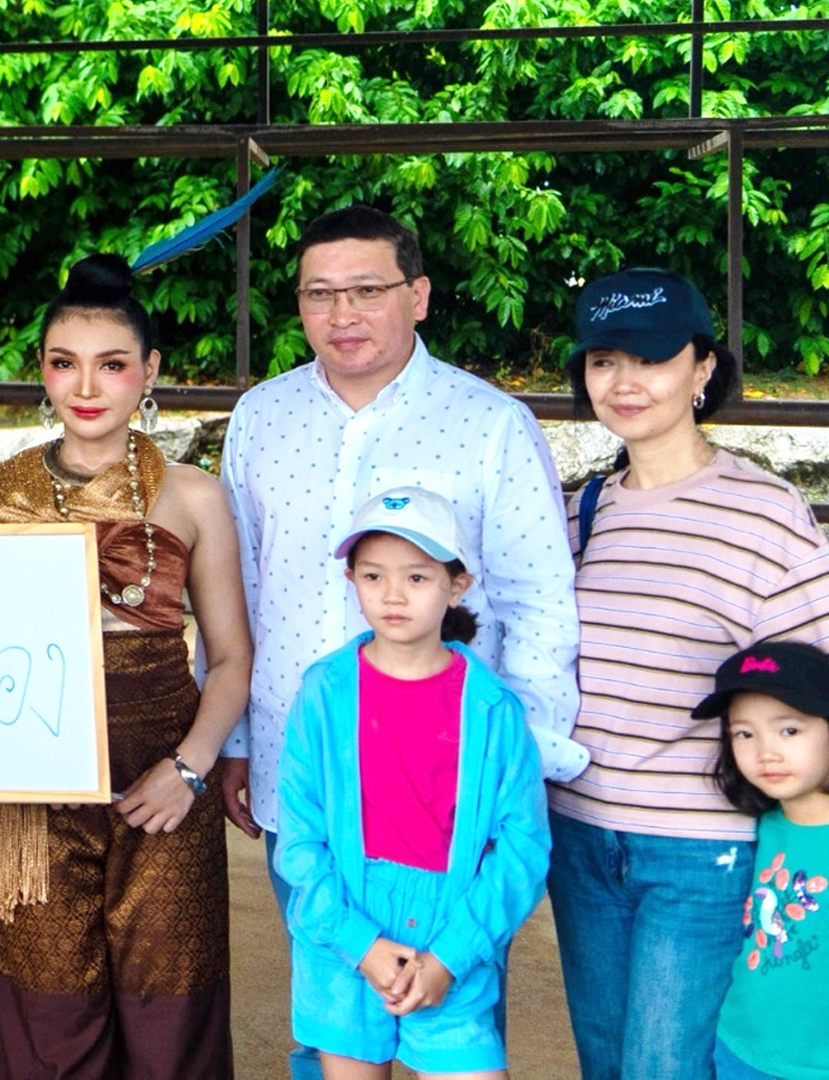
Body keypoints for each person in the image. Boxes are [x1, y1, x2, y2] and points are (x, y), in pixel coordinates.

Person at [218, 205, 582, 1077]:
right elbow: (241, 591)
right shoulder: (259, 418)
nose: (342, 314)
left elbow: (537, 596)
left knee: (452, 1010)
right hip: (309, 766)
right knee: (337, 1005)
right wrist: (234, 739)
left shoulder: (489, 421)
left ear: (417, 296)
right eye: (319, 294)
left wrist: (521, 762)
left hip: (450, 791)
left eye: (367, 291)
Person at [0, 253, 251, 1078]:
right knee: (45, 1022)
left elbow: (231, 658)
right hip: (36, 791)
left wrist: (189, 771)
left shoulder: (193, 495)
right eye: (64, 363)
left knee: (170, 1020)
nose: (86, 386)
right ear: (42, 371)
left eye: (112, 365)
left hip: (163, 781)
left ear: (149, 372)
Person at [548, 268, 829, 1080]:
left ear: (703, 369)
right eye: (602, 361)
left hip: (700, 846)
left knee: (665, 1069)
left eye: (651, 359)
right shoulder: (576, 512)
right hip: (581, 835)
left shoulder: (768, 514)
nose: (624, 382)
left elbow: (814, 693)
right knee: (606, 1064)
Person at [276, 488, 549, 1080]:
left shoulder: (493, 709)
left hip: (451, 933)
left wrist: (451, 957)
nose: (393, 595)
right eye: (373, 575)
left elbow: (524, 849)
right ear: (352, 579)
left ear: (457, 585)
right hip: (346, 937)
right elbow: (299, 839)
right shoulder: (323, 693)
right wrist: (359, 943)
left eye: (418, 578)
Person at [691, 640, 829, 1080]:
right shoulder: (761, 828)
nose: (765, 751)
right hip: (742, 1052)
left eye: (789, 730)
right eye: (743, 733)